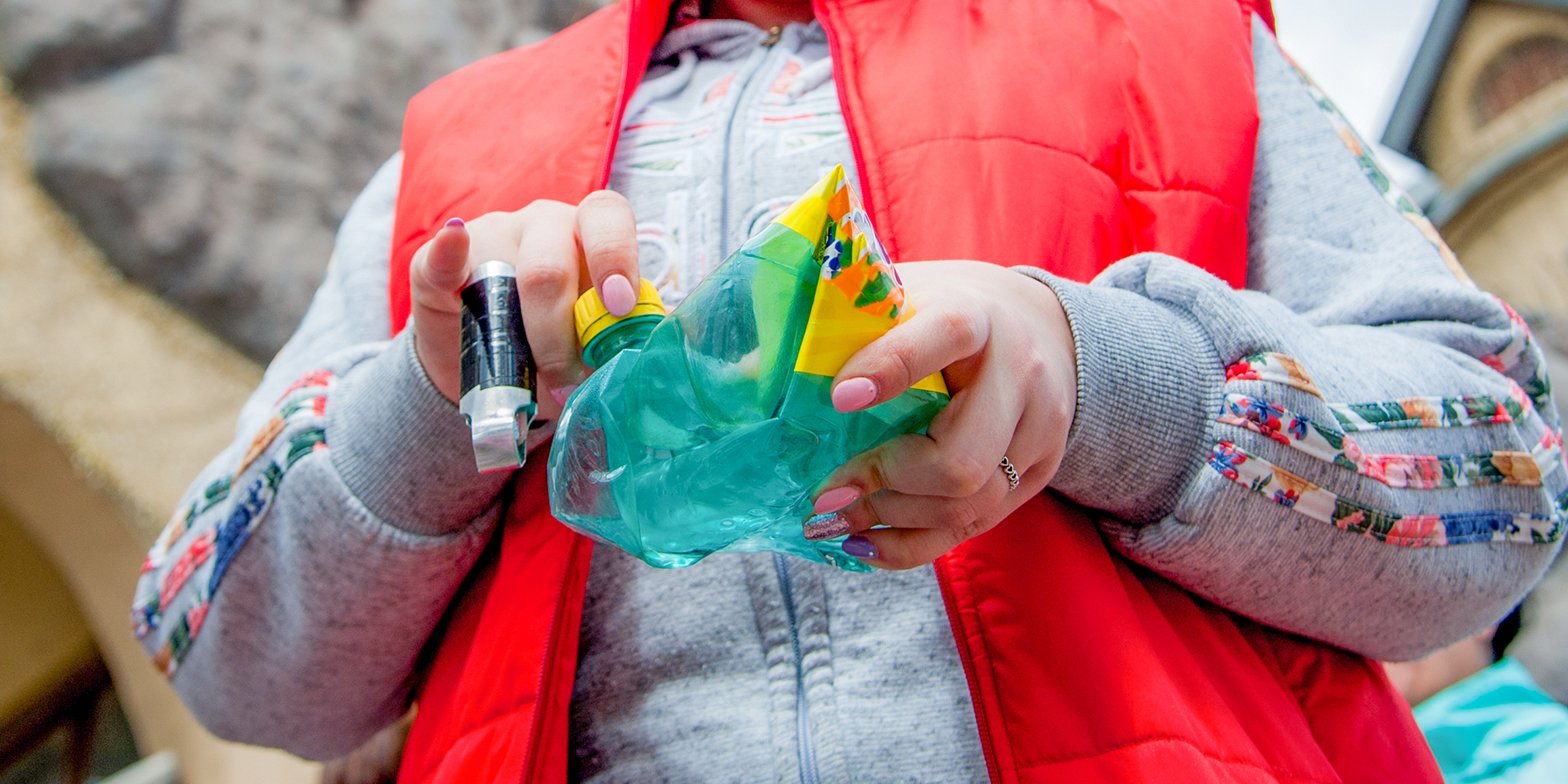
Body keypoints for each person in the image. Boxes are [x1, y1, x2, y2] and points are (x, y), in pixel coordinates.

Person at [132, 0, 1567, 780]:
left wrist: (1102, 380)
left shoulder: (1172, 43)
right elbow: (221, 657)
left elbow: (1506, 480)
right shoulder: (447, 159)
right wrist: (436, 397)